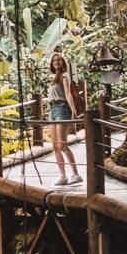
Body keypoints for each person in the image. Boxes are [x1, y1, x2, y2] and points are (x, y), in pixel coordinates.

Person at [46, 49, 82, 185]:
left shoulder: (64, 76)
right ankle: (63, 176)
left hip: (61, 109)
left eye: (59, 60)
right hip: (52, 110)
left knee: (63, 145)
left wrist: (73, 112)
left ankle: (76, 174)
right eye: (54, 60)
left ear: (63, 62)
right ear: (52, 63)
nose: (56, 62)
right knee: (55, 146)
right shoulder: (53, 77)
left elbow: (68, 94)